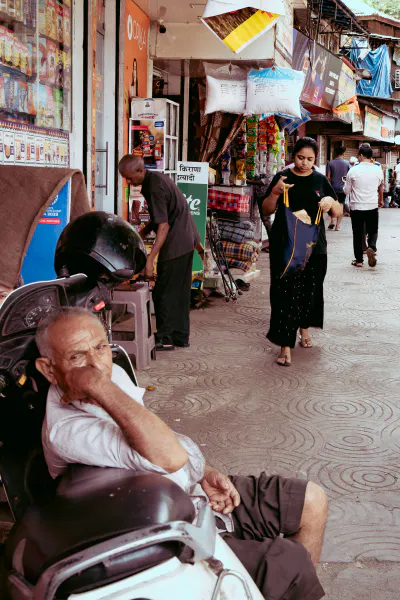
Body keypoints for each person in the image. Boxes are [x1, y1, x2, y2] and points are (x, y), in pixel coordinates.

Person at [36, 307, 328, 600]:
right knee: (291, 565)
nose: (96, 365)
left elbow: (160, 437)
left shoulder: (115, 376)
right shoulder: (66, 431)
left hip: (194, 494)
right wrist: (98, 385)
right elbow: (168, 458)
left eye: (101, 348)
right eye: (77, 357)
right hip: (167, 530)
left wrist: (205, 471)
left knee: (312, 501)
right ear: (48, 369)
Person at [261, 137, 341, 367]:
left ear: (316, 159)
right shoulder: (283, 177)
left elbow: (338, 212)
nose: (305, 163)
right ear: (292, 156)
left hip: (314, 247)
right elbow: (266, 209)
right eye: (300, 158)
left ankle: (304, 330)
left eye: (310, 159)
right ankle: (285, 344)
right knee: (285, 293)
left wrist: (331, 203)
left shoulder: (320, 179)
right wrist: (276, 192)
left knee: (310, 290)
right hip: (285, 246)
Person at [118, 155, 204, 351]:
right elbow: (163, 217)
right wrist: (140, 234)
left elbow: (163, 226)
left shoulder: (153, 186)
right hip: (186, 241)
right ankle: (180, 336)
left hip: (175, 244)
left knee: (163, 293)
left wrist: (150, 259)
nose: (129, 182)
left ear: (140, 171)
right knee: (180, 294)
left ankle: (165, 337)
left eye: (130, 178)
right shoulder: (158, 178)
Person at [344, 143, 384, 268]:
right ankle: (371, 247)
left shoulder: (353, 170)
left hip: (357, 207)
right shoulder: (378, 170)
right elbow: (379, 186)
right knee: (373, 230)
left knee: (358, 233)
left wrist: (345, 183)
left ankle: (359, 260)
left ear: (360, 155)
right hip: (372, 205)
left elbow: (346, 191)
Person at [326, 146, 350, 230]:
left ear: (335, 153)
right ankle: (337, 226)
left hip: (333, 188)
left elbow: (328, 177)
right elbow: (349, 177)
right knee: (341, 205)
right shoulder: (347, 164)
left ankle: (332, 221)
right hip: (343, 188)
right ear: (343, 153)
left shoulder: (331, 163)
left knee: (332, 205)